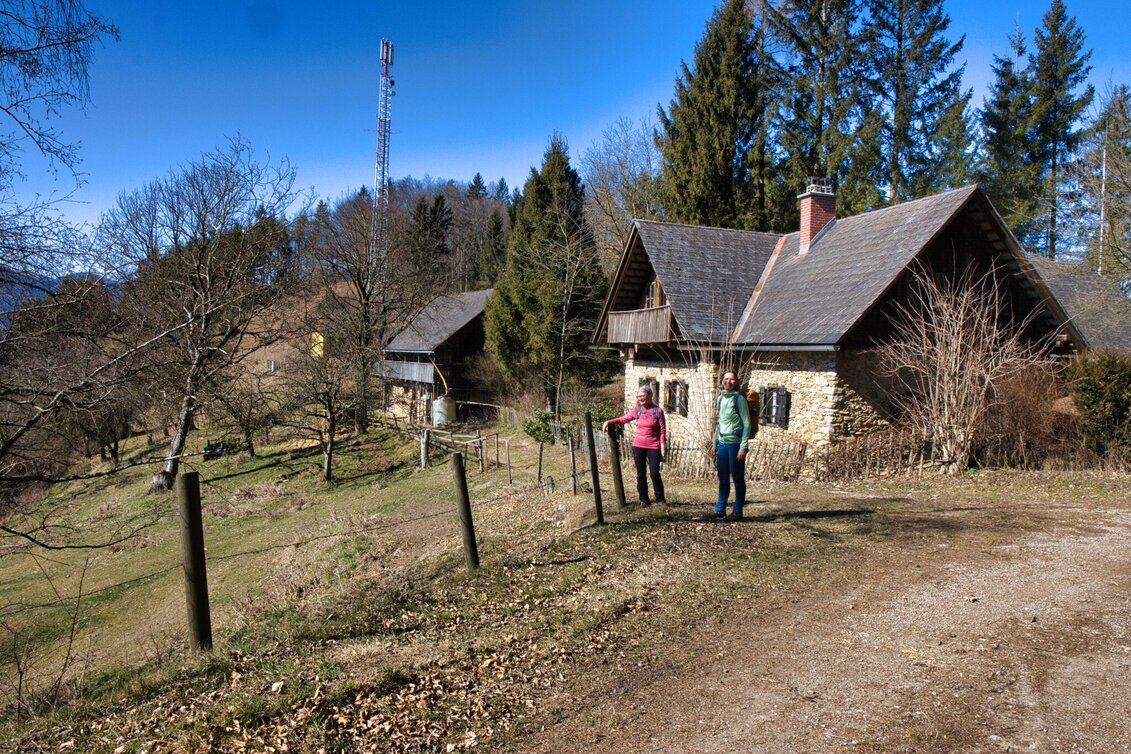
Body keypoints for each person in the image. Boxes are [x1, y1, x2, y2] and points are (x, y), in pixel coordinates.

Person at [603, 385, 667, 507]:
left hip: (653, 447)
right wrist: (609, 421)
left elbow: (662, 432)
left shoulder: (657, 411)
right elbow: (623, 419)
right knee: (640, 473)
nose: (640, 399)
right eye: (638, 397)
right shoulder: (637, 410)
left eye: (642, 396)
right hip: (638, 446)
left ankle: (660, 499)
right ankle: (644, 499)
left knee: (654, 473)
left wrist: (663, 452)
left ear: (650, 395)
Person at [709, 370, 751, 521]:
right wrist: (714, 442)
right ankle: (720, 509)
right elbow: (720, 423)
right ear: (722, 381)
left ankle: (738, 511)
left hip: (735, 444)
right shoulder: (720, 398)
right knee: (723, 477)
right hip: (722, 444)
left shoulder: (739, 399)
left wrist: (743, 446)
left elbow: (747, 423)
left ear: (736, 382)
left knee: (737, 477)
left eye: (732, 379)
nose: (728, 382)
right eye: (726, 379)